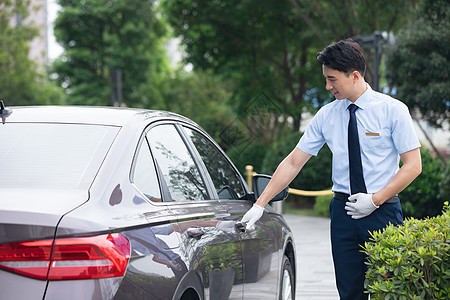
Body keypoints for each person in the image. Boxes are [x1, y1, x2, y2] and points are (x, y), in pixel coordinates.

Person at [241, 39, 422, 299]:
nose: (328, 86)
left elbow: (413, 165)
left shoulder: (392, 111)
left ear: (355, 75)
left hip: (383, 212)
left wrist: (375, 199)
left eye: (332, 79)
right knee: (349, 292)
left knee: (389, 290)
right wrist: (260, 204)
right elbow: (294, 161)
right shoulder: (327, 115)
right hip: (342, 214)